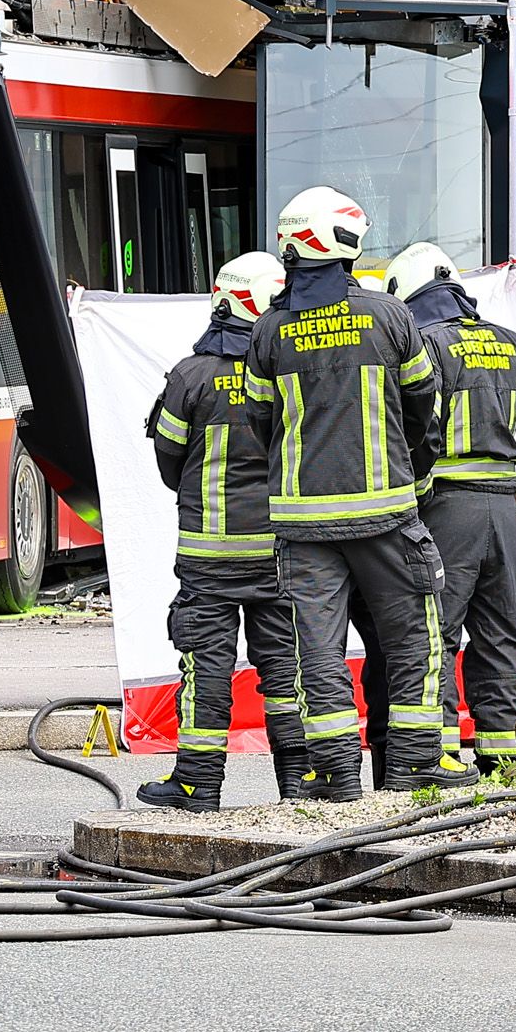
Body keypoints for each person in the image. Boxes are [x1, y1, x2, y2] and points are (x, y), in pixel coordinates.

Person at [243, 186, 445, 800]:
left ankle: (335, 779)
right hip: (386, 515)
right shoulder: (390, 317)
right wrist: (405, 468)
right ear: (347, 245)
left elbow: (260, 422)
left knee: (318, 650)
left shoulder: (270, 329)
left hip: (304, 528)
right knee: (414, 641)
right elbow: (422, 406)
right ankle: (411, 771)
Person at [383, 243, 516, 776]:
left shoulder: (421, 348)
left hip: (445, 509)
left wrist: (416, 496)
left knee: (437, 631)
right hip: (502, 514)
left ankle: (442, 749)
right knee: (500, 629)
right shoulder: (514, 346)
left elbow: (410, 433)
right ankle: (502, 750)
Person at [139, 250, 304, 811]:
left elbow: (168, 460)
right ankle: (299, 788)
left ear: (224, 299)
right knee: (285, 668)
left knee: (205, 670)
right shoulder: (288, 369)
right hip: (279, 551)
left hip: (208, 557)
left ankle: (197, 785)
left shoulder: (191, 376)